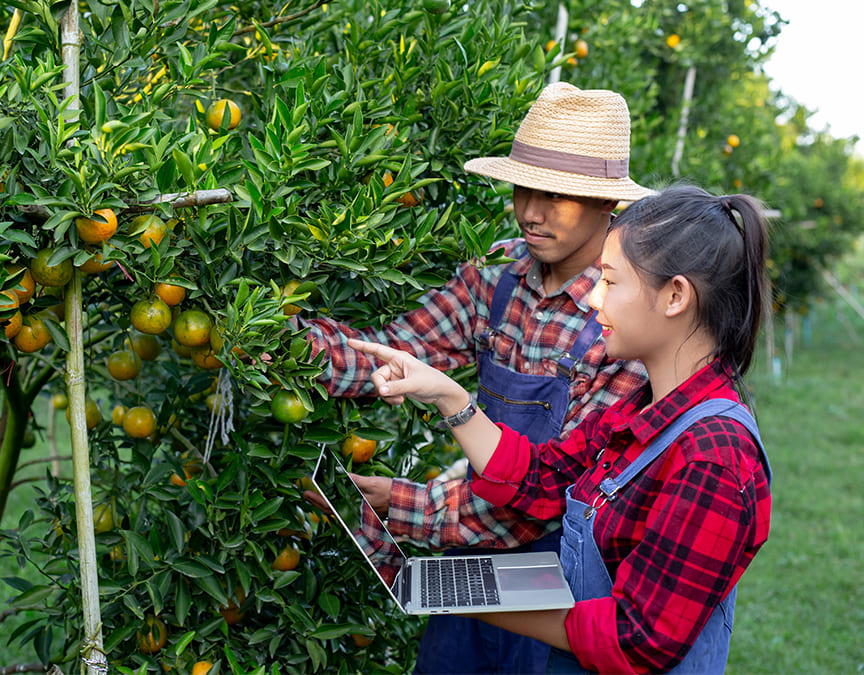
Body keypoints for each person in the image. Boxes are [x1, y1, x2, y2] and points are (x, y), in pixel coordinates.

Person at [296, 82, 650, 673]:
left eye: (555, 196)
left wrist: (403, 503)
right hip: (473, 570)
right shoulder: (499, 277)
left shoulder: (624, 321)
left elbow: (555, 491)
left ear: (604, 203)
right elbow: (397, 351)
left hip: (560, 585)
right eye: (523, 188)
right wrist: (277, 341)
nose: (530, 211)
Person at [346, 185, 773, 673]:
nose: (593, 299)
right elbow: (542, 478)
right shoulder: (641, 410)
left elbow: (637, 638)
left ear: (675, 295)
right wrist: (451, 397)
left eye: (611, 282)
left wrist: (455, 596)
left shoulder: (713, 456)